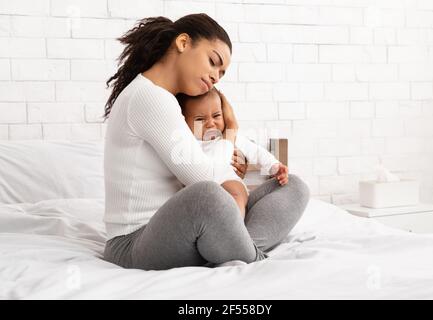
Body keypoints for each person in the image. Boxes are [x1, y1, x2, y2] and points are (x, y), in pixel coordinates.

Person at [102, 13, 310, 271]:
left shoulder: (169, 99)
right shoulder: (149, 97)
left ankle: (233, 245)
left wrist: (243, 163)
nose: (216, 76)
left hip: (182, 230)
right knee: (207, 195)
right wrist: (231, 132)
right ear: (183, 43)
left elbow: (207, 166)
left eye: (221, 73)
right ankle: (252, 259)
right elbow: (204, 180)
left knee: (293, 186)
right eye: (213, 62)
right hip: (134, 243)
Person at [177, 87, 289, 220]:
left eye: (216, 116)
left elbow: (256, 152)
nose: (211, 123)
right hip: (200, 193)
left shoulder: (231, 136)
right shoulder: (188, 142)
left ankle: (235, 225)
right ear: (184, 122)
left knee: (235, 193)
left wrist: (275, 166)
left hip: (228, 183)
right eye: (200, 119)